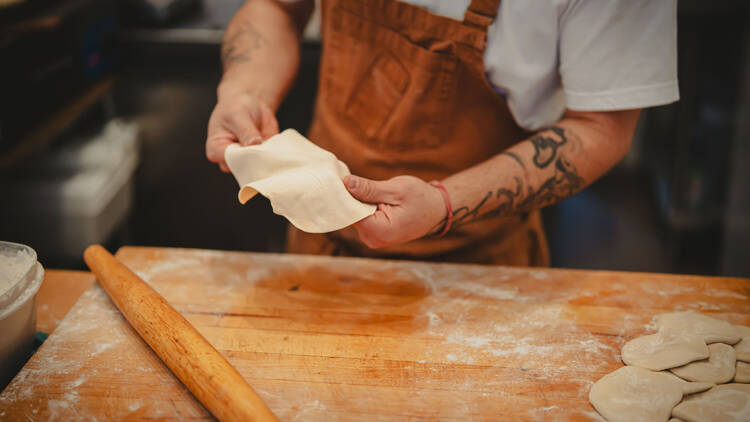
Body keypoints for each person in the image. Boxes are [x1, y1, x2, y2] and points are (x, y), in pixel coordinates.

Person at [206, 0, 678, 266]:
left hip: (478, 265)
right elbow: (278, 7)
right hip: (318, 250)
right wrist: (244, 89)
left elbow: (602, 128)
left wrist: (445, 203)